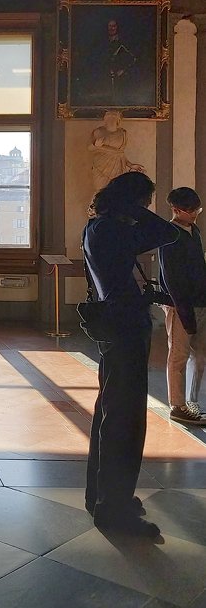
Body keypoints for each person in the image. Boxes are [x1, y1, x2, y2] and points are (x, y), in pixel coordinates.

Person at [82, 171, 178, 538]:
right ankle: (115, 509)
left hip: (113, 328)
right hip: (125, 329)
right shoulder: (113, 230)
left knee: (110, 413)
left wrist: (126, 207)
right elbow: (167, 233)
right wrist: (133, 209)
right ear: (132, 201)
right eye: (145, 201)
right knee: (126, 421)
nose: (147, 208)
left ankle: (101, 495)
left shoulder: (96, 227)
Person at [158, 187, 206, 425]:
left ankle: (193, 401)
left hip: (200, 302)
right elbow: (172, 279)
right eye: (191, 211)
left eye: (198, 210)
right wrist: (184, 312)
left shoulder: (194, 231)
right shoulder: (169, 235)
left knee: (200, 355)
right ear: (176, 210)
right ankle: (177, 406)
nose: (195, 214)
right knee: (179, 355)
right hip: (179, 305)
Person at [88, 110, 144, 191]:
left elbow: (120, 153)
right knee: (100, 190)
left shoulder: (123, 133)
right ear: (105, 120)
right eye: (108, 118)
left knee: (116, 190)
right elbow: (90, 148)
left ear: (118, 120)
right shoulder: (99, 131)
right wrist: (95, 145)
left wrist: (130, 165)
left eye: (113, 118)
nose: (111, 121)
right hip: (100, 165)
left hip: (117, 166)